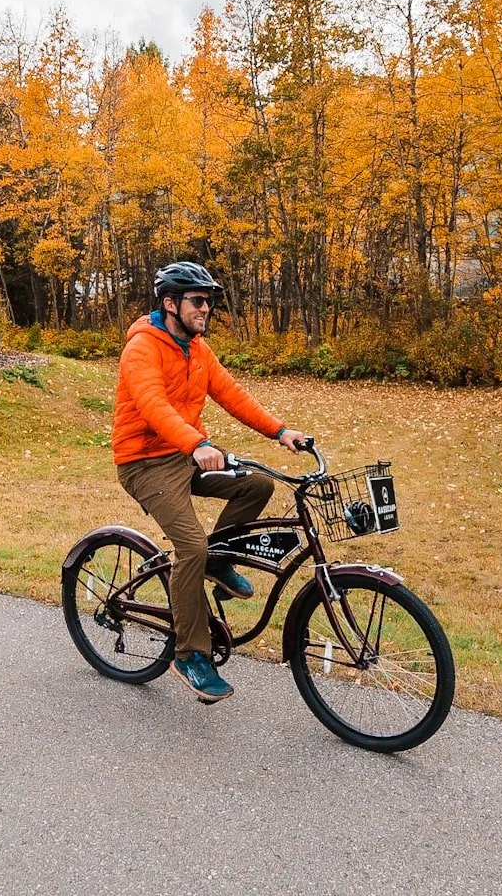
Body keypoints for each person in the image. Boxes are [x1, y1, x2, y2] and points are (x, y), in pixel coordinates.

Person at [113, 261, 307, 703]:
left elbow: (232, 394)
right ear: (170, 303)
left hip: (185, 453)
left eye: (209, 302)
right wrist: (196, 442)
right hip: (145, 463)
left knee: (256, 486)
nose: (206, 309)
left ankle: (218, 564)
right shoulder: (142, 348)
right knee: (191, 547)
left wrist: (280, 431)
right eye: (197, 301)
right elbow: (151, 405)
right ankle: (190, 654)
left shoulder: (198, 348)